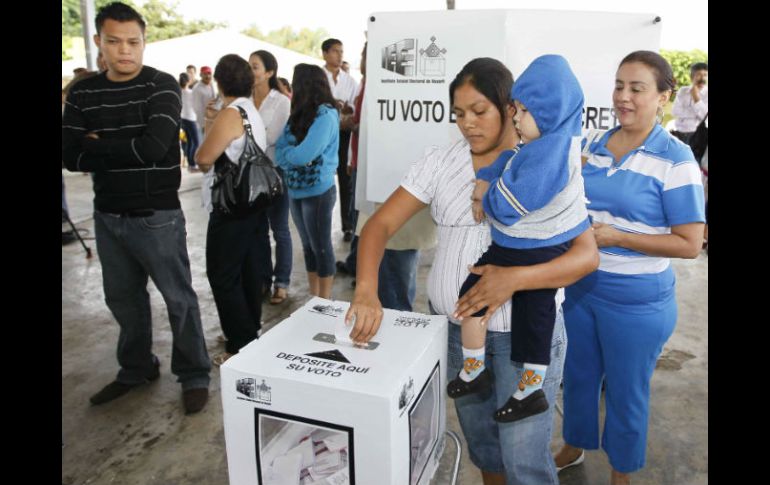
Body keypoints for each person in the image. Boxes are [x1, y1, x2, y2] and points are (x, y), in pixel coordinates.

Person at [346, 57, 599, 485]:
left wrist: (512, 280)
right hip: (459, 335)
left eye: (480, 111)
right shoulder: (440, 162)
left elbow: (586, 257)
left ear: (509, 107)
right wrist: (367, 290)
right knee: (484, 447)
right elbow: (379, 226)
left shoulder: (545, 166)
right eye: (459, 113)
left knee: (524, 460)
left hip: (524, 338)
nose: (468, 124)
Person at [554, 51, 705, 485]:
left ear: (663, 96)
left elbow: (690, 243)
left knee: (626, 392)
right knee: (578, 377)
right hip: (582, 287)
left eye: (636, 88)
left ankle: (622, 473)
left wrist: (618, 237)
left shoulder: (676, 160)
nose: (623, 96)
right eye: (619, 85)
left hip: (637, 301)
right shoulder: (593, 144)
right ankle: (573, 445)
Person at [61, 1, 211, 415]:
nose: (125, 51)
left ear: (144, 42)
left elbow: (155, 147)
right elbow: (68, 156)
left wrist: (97, 144)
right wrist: (105, 149)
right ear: (99, 43)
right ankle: (136, 368)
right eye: (114, 42)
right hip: (107, 216)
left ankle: (195, 373)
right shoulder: (84, 92)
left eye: (133, 42)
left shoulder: (161, 85)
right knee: (123, 301)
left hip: (157, 216)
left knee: (178, 298)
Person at [448, 55, 590, 425]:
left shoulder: (551, 156)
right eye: (516, 109)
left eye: (524, 111)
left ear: (549, 113)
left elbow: (512, 204)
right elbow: (510, 160)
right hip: (526, 246)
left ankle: (521, 386)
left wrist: (487, 194)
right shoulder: (541, 146)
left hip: (534, 247)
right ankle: (489, 373)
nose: (516, 118)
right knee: (527, 313)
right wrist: (487, 178)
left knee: (516, 313)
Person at [194, 54, 269, 367]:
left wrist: (212, 123)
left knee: (223, 276)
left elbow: (203, 157)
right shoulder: (251, 110)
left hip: (230, 207)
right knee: (248, 271)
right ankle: (250, 331)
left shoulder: (230, 113)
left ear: (220, 83)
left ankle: (240, 344)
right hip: (252, 204)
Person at [275, 64, 340, 299]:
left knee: (321, 247)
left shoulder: (327, 115)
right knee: (308, 247)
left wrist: (291, 156)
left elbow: (303, 155)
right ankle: (315, 298)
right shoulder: (298, 115)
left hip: (319, 192)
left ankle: (325, 300)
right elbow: (279, 151)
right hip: (296, 191)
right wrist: (294, 156)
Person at [249, 49, 292, 305]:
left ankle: (282, 282)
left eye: (255, 66)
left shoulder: (281, 101)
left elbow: (272, 137)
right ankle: (263, 279)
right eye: (249, 66)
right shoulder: (243, 99)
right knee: (258, 230)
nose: (250, 71)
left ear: (269, 72)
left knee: (280, 229)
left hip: (275, 171)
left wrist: (241, 137)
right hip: (249, 174)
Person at [321, 38, 358, 242]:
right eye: (335, 51)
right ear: (325, 53)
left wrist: (346, 107)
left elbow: (354, 106)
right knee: (323, 177)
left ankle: (347, 225)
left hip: (342, 133)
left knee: (345, 178)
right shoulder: (317, 77)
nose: (339, 55)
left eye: (341, 51)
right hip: (321, 133)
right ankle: (322, 223)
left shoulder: (349, 81)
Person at [671, 62, 708, 144]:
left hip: (697, 136)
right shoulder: (683, 90)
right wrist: (695, 114)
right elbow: (675, 111)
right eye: (699, 74)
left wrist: (696, 98)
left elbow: (705, 117)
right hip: (678, 133)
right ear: (692, 77)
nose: (702, 78)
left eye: (705, 75)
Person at [179, 72, 201, 172]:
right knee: (196, 142)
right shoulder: (191, 93)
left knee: (189, 142)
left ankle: (190, 165)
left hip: (183, 119)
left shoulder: (179, 92)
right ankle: (192, 164)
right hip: (191, 119)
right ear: (188, 81)